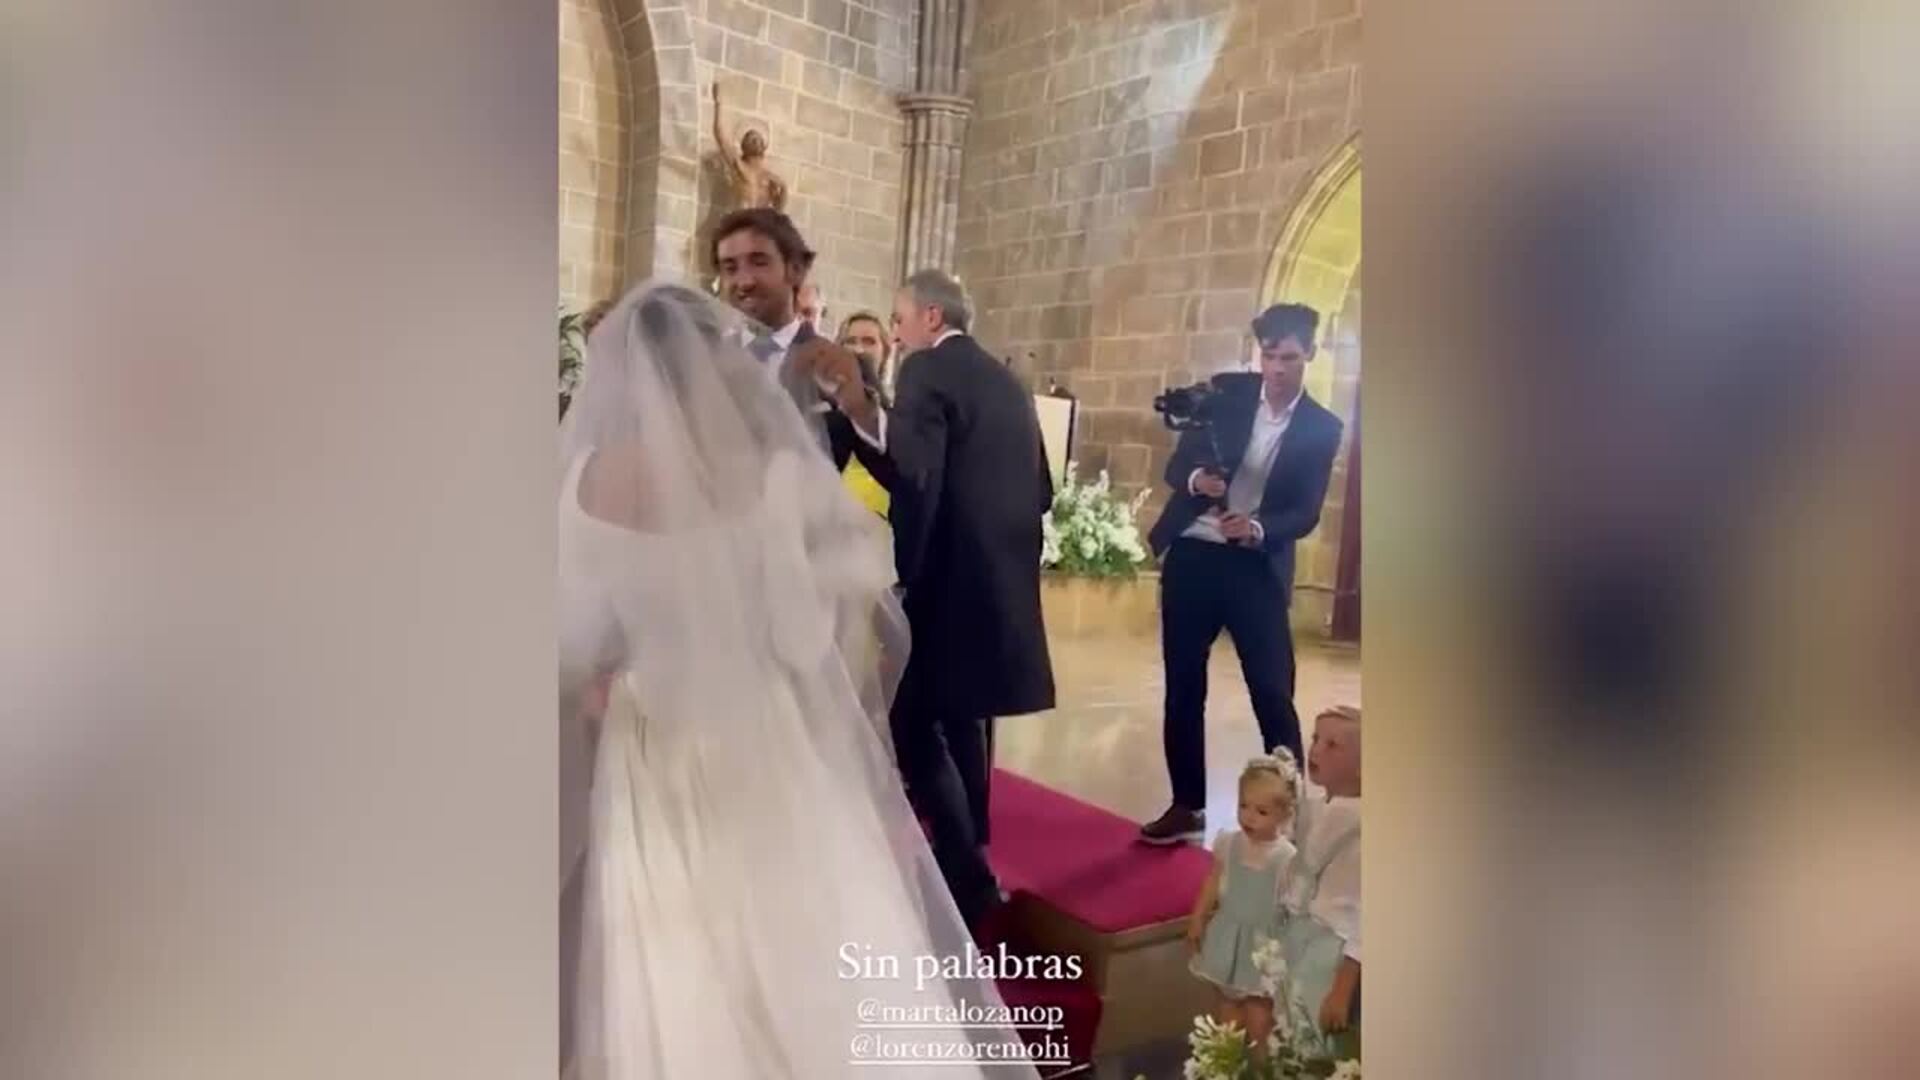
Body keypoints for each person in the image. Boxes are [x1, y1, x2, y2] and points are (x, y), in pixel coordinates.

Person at [557, 281, 1037, 1079]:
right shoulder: (773, 477)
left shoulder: (581, 483)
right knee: (798, 923)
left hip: (646, 737)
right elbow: (803, 633)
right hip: (761, 730)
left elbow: (571, 638)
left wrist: (608, 678)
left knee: (668, 948)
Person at [799, 268, 1056, 929]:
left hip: (945, 578)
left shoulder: (925, 370)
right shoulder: (1007, 381)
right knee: (961, 716)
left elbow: (915, 472)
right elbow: (1043, 489)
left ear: (932, 318)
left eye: (900, 318)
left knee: (912, 724)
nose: (896, 331)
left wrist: (861, 417)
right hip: (999, 578)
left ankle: (966, 876)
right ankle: (974, 845)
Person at [1138, 303, 1344, 845]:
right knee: (1184, 687)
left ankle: (1291, 811)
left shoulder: (1322, 427)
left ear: (1310, 354)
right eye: (1269, 356)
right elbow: (1176, 468)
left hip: (1255, 565)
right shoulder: (1228, 394)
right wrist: (1198, 480)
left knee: (1272, 690)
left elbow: (1305, 511)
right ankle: (1187, 806)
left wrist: (1256, 528)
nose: (1277, 369)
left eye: (1289, 358)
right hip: (1194, 555)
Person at [710, 208, 888, 478]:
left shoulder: (846, 365)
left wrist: (861, 410)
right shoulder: (704, 360)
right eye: (730, 268)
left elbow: (905, 479)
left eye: (759, 262)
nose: (744, 281)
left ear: (795, 269)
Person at [1184, 752, 1302, 1055]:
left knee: (1259, 1020)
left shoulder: (1285, 858)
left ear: (1284, 816)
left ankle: (1259, 1067)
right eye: (1243, 806)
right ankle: (1228, 1065)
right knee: (1227, 1016)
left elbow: (1294, 906)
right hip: (1229, 939)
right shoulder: (1230, 843)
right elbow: (1214, 880)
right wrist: (1198, 917)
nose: (1249, 817)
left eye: (1261, 811)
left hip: (1263, 948)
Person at [1274, 705, 1361, 1061]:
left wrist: (1342, 988)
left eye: (1332, 745)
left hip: (1332, 949)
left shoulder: (1361, 824)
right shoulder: (1328, 806)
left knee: (1311, 1039)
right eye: (1315, 738)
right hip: (1304, 934)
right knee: (1289, 1025)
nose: (1315, 750)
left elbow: (1367, 916)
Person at [836, 309, 895, 519]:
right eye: (850, 341)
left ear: (885, 351)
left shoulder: (899, 411)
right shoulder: (821, 403)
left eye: (869, 342)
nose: (859, 349)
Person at [710, 84, 787, 212]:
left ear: (764, 146)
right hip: (741, 218)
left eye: (758, 140)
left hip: (760, 221)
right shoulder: (739, 164)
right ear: (744, 147)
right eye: (751, 139)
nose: (755, 141)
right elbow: (719, 134)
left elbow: (778, 208)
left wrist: (783, 192)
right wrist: (718, 103)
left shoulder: (770, 178)